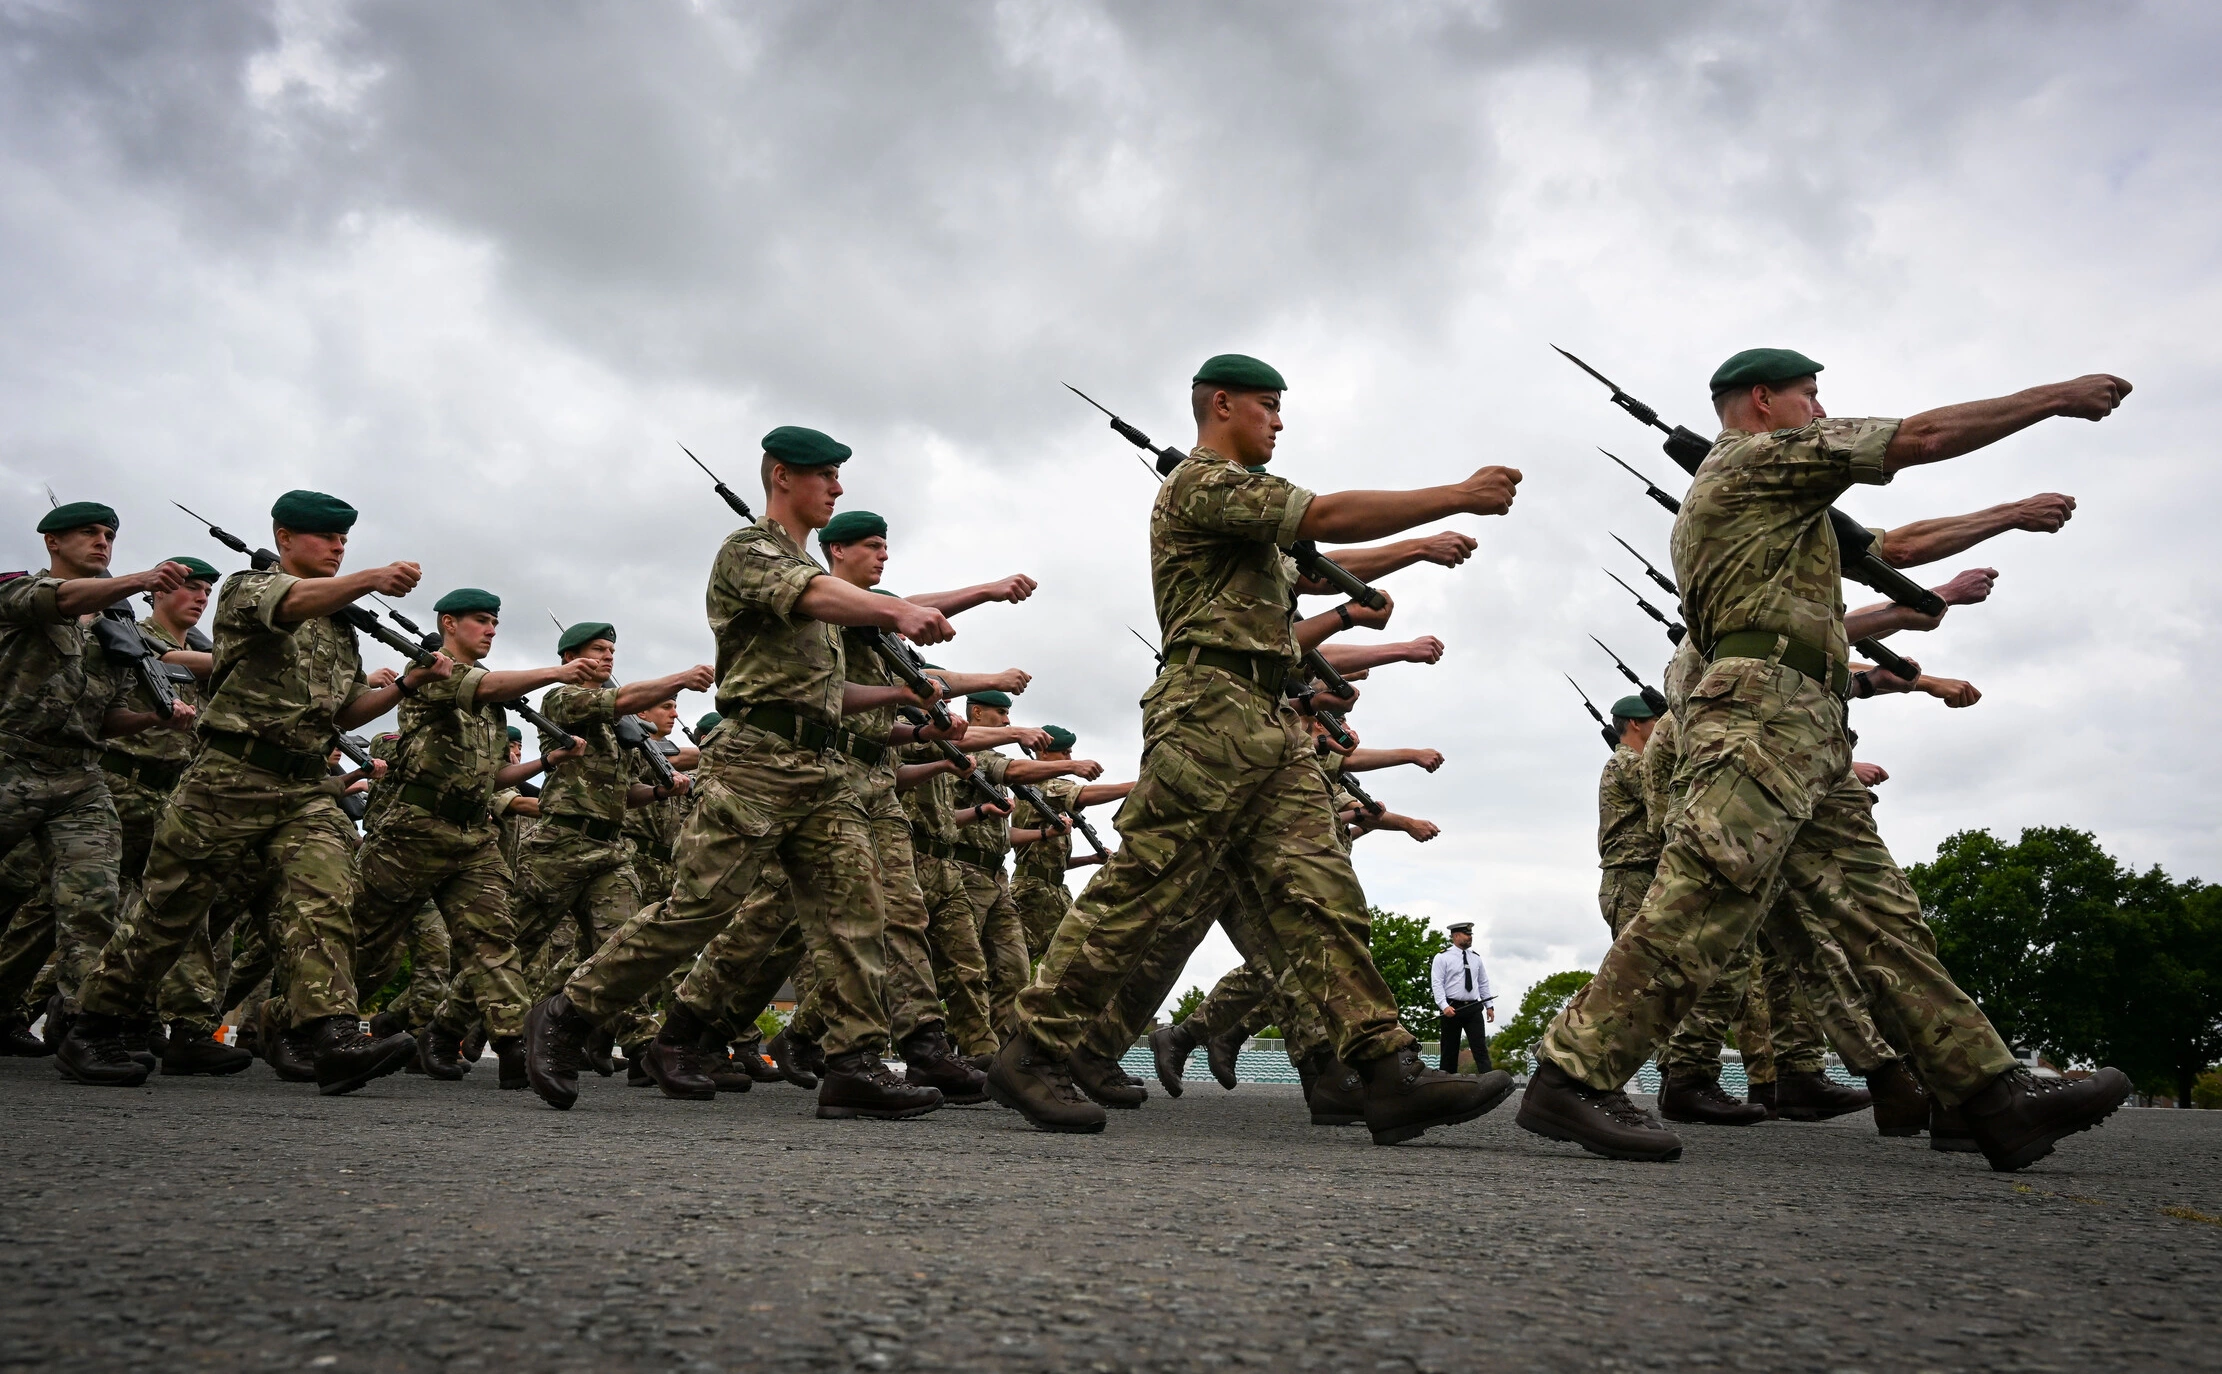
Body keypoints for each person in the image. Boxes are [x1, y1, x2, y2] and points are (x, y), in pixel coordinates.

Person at [1518, 348, 2135, 1171]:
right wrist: (2051, 397)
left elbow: (1896, 546)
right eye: (1812, 394)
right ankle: (1570, 1075)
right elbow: (1921, 437)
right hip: (1759, 715)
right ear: (1764, 401)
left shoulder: (1790, 507)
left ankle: (1985, 1093)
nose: (1821, 407)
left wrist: (2008, 515)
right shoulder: (1753, 462)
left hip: (1808, 724)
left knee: (1883, 917)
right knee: (1706, 895)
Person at [991, 352, 1522, 1143]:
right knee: (1141, 890)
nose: (1279, 420)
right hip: (1206, 710)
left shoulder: (1245, 519)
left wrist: (1409, 552)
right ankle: (1032, 1050)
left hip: (1268, 719)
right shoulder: (1202, 484)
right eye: (1268, 406)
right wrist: (1457, 496)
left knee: (1323, 891)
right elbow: (1325, 519)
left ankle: (1386, 1071)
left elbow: (1320, 567)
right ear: (1222, 405)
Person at [524, 425, 956, 1120]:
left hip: (822, 767)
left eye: (840, 478)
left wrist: (904, 693)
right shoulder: (748, 553)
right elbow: (814, 595)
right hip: (755, 762)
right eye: (826, 477)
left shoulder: (816, 583)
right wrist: (897, 608)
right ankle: (570, 1011)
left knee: (855, 913)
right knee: (699, 908)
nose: (838, 489)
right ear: (783, 477)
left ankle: (854, 1064)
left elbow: (828, 692)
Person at [67, 490, 439, 1094]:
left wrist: (408, 685)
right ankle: (95, 1022)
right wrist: (371, 578)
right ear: (285, 537)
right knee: (170, 913)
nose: (339, 546)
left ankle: (333, 1034)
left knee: (324, 897)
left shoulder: (339, 629)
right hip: (228, 780)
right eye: (325, 536)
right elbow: (289, 603)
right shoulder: (249, 589)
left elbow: (344, 711)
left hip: (301, 785)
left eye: (345, 538)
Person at [1431, 922, 1494, 1074]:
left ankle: (1491, 1082)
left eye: (1471, 935)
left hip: (1473, 1007)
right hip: (1452, 1007)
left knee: (1480, 1048)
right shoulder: (1442, 957)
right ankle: (1447, 1085)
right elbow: (1437, 983)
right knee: (1449, 1050)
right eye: (1467, 935)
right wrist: (1443, 1006)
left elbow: (1483, 982)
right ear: (1456, 935)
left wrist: (1489, 1006)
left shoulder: (1476, 958)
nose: (1470, 938)